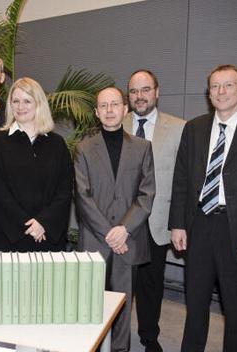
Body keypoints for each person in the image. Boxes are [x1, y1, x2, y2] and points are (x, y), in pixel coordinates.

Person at [169, 64, 237, 351]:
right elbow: (181, 179)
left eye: (228, 85)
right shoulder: (193, 128)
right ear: (209, 92)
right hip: (199, 226)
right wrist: (178, 223)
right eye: (215, 86)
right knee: (194, 307)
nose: (221, 92)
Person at [75, 87, 155, 352]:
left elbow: (146, 194)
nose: (109, 110)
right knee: (91, 304)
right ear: (97, 113)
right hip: (95, 240)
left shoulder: (143, 148)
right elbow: (82, 195)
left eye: (115, 105)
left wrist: (123, 230)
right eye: (104, 106)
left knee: (122, 304)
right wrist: (110, 233)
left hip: (128, 240)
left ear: (125, 109)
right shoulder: (84, 149)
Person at [122, 69, 185, 352]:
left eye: (145, 90)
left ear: (156, 92)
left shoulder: (179, 128)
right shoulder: (114, 123)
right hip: (122, 223)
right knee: (120, 286)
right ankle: (117, 337)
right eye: (134, 91)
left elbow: (184, 181)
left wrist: (179, 223)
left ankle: (149, 337)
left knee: (151, 286)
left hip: (156, 223)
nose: (140, 96)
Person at [0, 77, 73, 252]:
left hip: (48, 236)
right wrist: (28, 226)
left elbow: (64, 191)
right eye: (15, 101)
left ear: (38, 104)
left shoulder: (57, 144)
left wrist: (43, 223)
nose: (20, 106)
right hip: (9, 238)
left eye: (27, 101)